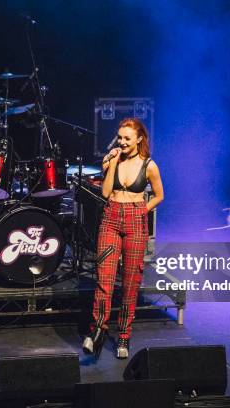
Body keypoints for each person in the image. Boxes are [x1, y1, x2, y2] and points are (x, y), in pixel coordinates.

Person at [83, 118, 164, 359]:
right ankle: (97, 332)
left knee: (130, 283)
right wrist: (111, 162)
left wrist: (143, 209)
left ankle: (124, 336)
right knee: (104, 280)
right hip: (111, 219)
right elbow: (106, 192)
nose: (122, 142)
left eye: (127, 138)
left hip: (135, 222)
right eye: (120, 137)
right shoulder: (113, 160)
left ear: (139, 139)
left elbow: (159, 195)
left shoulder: (149, 165)